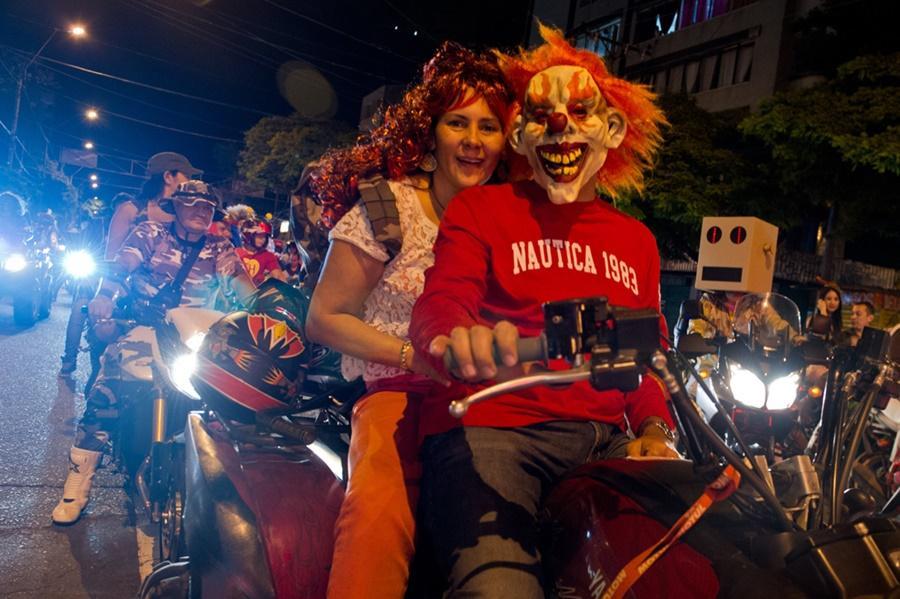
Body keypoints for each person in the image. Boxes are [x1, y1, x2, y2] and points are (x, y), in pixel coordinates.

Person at [408, 25, 676, 597]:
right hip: (492, 428)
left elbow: (646, 357)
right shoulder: (481, 209)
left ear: (612, 129)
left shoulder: (638, 241)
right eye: (541, 113)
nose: (559, 125)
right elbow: (443, 297)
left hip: (605, 439)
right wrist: (455, 338)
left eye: (580, 111)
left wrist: (656, 429)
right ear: (521, 134)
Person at [304, 41, 511, 599]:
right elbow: (323, 317)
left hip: (492, 399)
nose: (473, 140)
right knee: (379, 515)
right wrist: (412, 357)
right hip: (399, 394)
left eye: (489, 126)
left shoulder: (512, 219)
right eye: (458, 123)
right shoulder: (387, 209)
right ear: (430, 132)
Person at [51, 180, 256, 525]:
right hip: (144, 327)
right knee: (108, 391)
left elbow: (245, 289)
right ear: (175, 206)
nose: (202, 211)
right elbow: (122, 266)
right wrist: (105, 296)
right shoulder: (151, 233)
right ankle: (77, 485)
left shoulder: (220, 247)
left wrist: (267, 312)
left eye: (208, 207)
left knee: (232, 402)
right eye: (193, 204)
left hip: (197, 338)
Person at [104, 152, 202, 258]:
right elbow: (111, 256)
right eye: (187, 176)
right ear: (168, 177)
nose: (190, 182)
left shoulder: (185, 215)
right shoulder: (131, 211)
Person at [236, 218, 287, 285]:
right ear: (247, 235)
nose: (263, 239)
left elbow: (280, 278)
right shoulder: (235, 254)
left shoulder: (268, 255)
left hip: (259, 291)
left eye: (264, 236)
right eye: (259, 236)